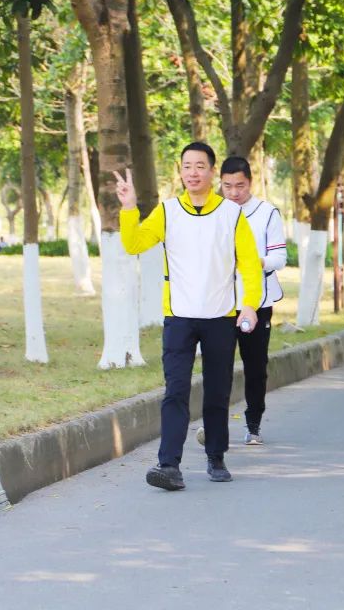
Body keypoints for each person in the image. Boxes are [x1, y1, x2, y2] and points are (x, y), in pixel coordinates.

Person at [115, 142, 261, 491]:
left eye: (200, 166)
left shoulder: (231, 214)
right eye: (187, 166)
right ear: (179, 172)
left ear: (212, 172)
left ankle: (216, 457)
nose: (193, 172)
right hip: (179, 317)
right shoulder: (167, 212)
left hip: (220, 318)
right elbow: (134, 244)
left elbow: (250, 265)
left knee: (217, 390)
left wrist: (250, 304)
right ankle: (169, 465)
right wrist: (129, 207)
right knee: (175, 391)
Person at [218, 156, 287, 446]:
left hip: (256, 303)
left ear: (251, 182)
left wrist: (252, 262)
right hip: (219, 302)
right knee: (218, 366)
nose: (234, 192)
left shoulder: (266, 213)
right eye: (227, 186)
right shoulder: (214, 211)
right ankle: (215, 424)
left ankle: (253, 423)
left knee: (255, 366)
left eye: (240, 186)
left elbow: (279, 258)